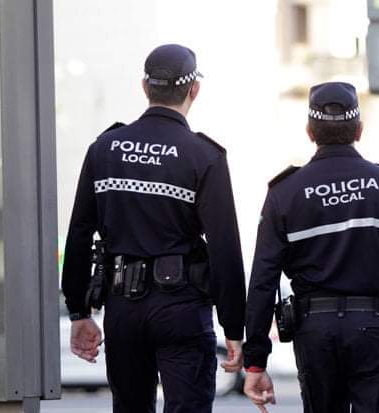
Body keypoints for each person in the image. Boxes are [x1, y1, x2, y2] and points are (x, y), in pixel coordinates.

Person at [242, 82, 379, 413]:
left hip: (315, 331)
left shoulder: (285, 193)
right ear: (359, 130)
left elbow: (262, 281)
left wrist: (255, 361)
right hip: (378, 331)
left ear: (310, 132)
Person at [61, 44, 246, 413]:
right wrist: (234, 328)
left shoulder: (105, 148)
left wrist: (79, 312)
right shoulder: (203, 155)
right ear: (194, 90)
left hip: (122, 308)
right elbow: (225, 248)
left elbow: (79, 233)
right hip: (181, 307)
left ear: (145, 87)